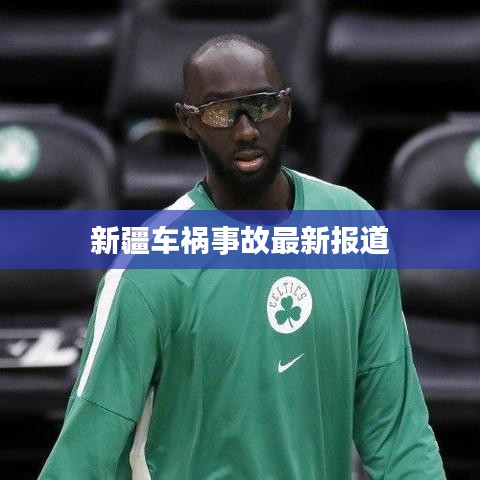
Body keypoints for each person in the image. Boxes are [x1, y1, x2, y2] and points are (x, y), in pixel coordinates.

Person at [39, 34, 445, 479]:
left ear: (287, 106)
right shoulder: (149, 265)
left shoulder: (352, 224)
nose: (247, 130)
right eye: (221, 112)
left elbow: (398, 431)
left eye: (262, 105)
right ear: (188, 121)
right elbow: (85, 454)